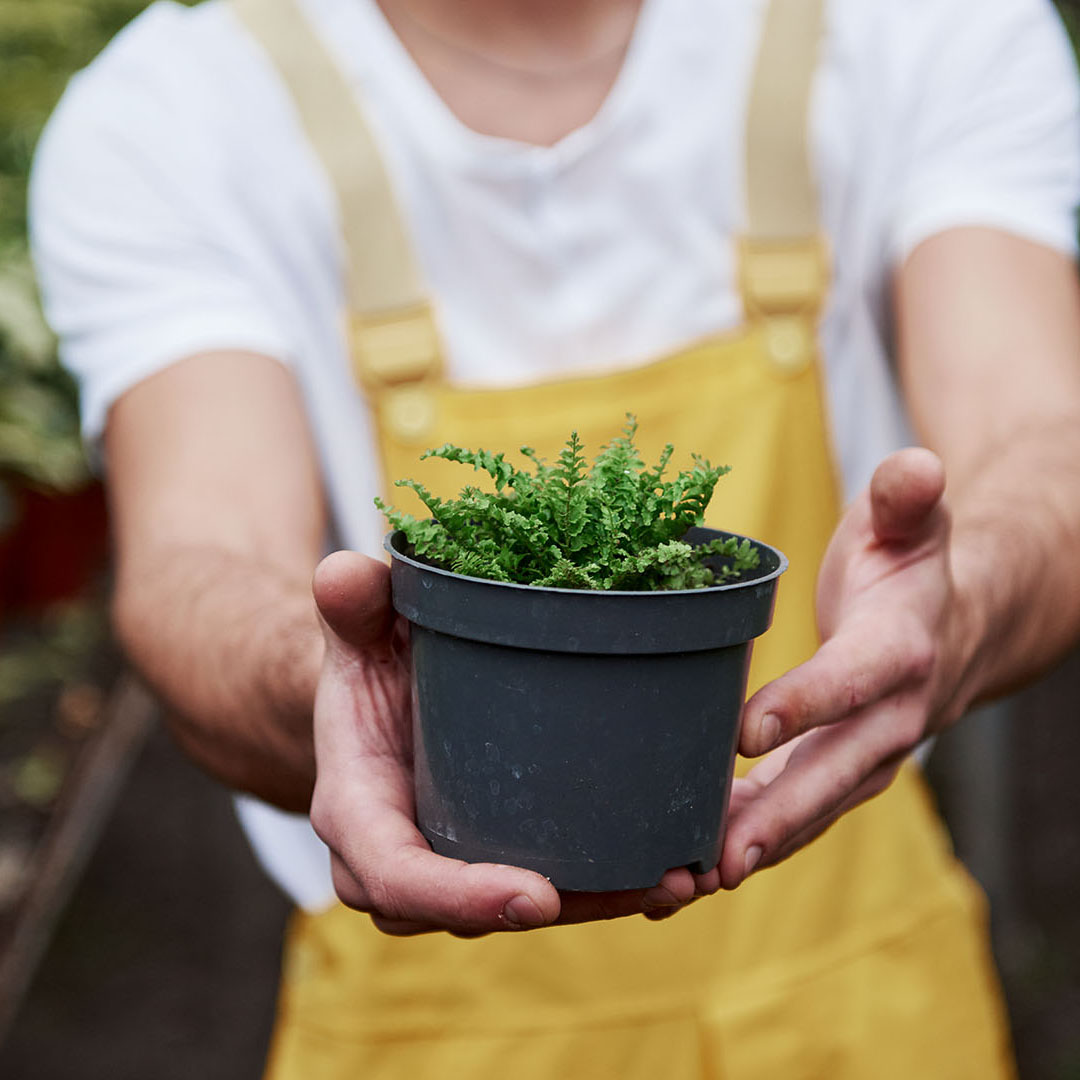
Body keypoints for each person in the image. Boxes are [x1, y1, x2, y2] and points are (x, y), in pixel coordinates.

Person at [28, 0, 1080, 1075]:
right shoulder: (179, 111)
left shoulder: (922, 25)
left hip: (862, 1000)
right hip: (434, 1027)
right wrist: (356, 698)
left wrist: (970, 596)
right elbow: (201, 557)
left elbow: (1041, 444)